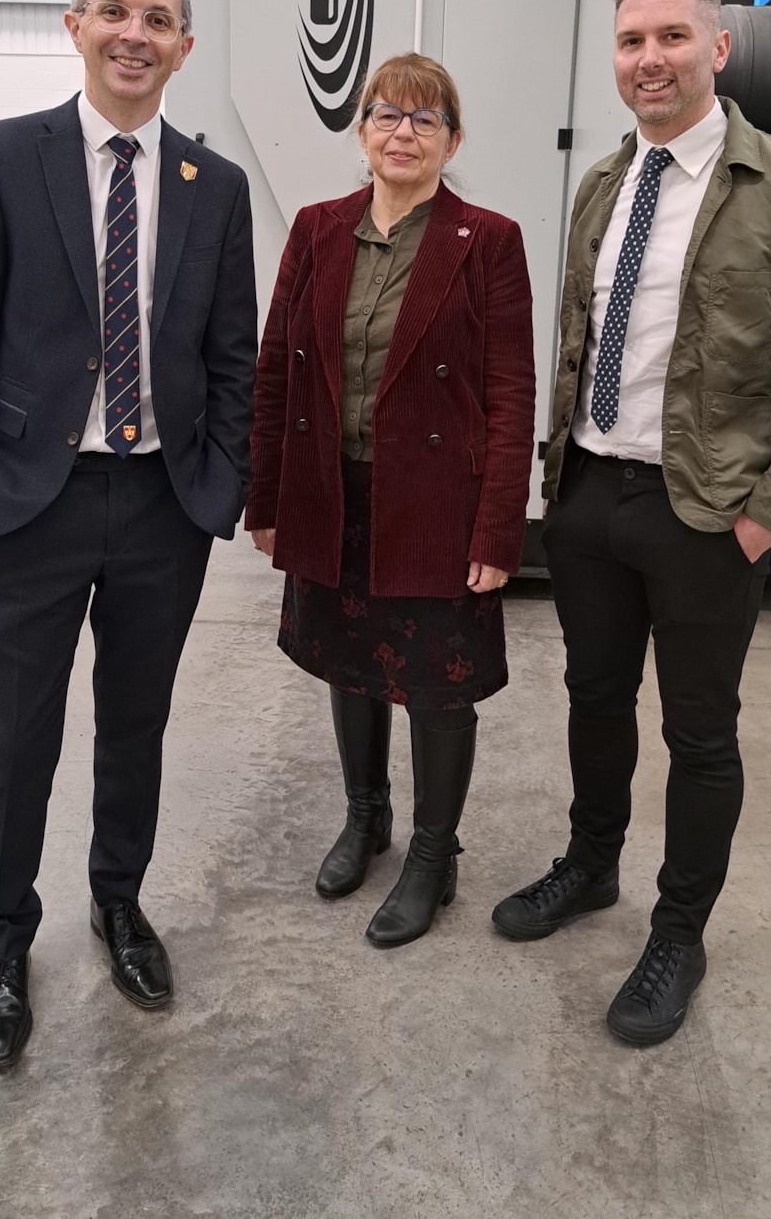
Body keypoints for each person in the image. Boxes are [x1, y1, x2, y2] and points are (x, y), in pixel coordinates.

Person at [492, 0, 771, 1044]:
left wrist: (767, 515)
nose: (649, 59)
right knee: (594, 699)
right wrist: (559, 479)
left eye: (670, 37)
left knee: (701, 734)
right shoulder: (607, 183)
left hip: (711, 512)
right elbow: (579, 337)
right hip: (596, 492)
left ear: (717, 44)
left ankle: (679, 930)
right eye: (630, 41)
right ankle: (592, 863)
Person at [0, 0, 256, 1069]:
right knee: (17, 736)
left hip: (163, 502)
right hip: (30, 499)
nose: (134, 33)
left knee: (135, 723)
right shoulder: (2, 158)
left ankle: (119, 902)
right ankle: (5, 941)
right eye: (113, 11)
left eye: (156, 18)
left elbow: (232, 355)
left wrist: (225, 479)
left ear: (184, 46)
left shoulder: (217, 188)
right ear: (75, 25)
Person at [246, 53, 535, 948]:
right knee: (350, 663)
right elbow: (275, 372)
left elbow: (511, 392)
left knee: (439, 688)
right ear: (361, 129)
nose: (403, 133)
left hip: (434, 505)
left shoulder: (486, 238)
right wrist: (267, 501)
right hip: (335, 496)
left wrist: (497, 526)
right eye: (386, 115)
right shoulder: (318, 228)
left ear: (453, 139)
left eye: (425, 120)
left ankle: (431, 854)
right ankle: (366, 817)